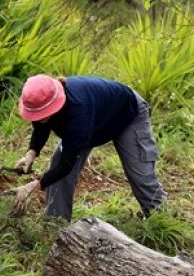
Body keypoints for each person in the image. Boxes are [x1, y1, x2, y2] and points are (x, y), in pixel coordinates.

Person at [11, 74, 166, 220]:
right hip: (95, 119)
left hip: (127, 115)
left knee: (141, 176)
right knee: (57, 165)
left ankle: (163, 219)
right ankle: (56, 223)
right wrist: (31, 153)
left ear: (54, 104)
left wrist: (34, 186)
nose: (38, 118)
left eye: (42, 113)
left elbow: (67, 165)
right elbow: (41, 126)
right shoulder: (46, 102)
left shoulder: (78, 111)